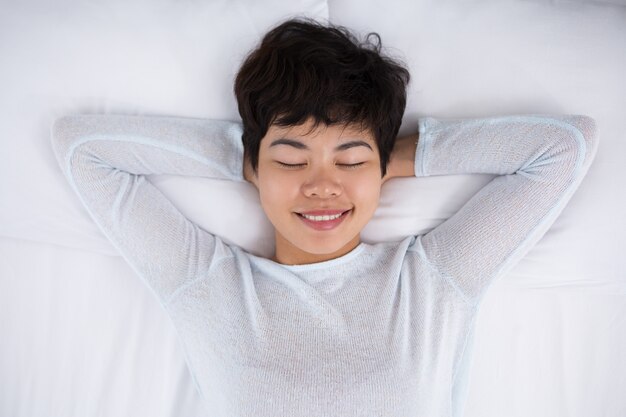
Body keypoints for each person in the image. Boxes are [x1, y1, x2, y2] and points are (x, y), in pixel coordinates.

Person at [51, 17, 598, 417]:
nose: (321, 187)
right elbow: (84, 150)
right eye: (291, 159)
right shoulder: (208, 283)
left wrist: (388, 158)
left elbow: (563, 146)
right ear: (257, 164)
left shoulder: (432, 282)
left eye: (351, 160)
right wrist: (251, 158)